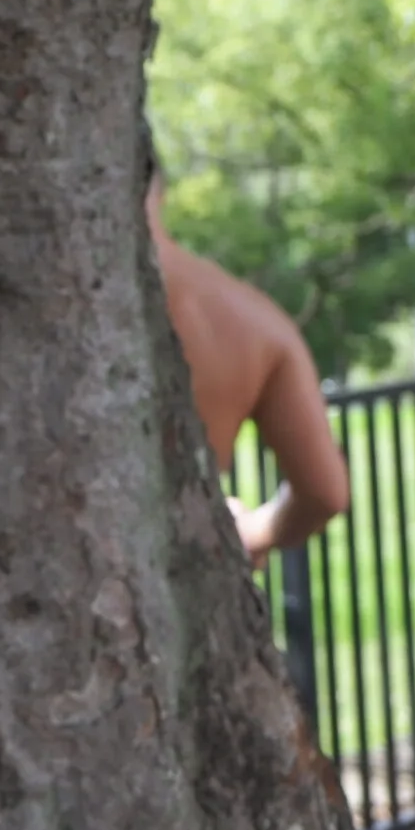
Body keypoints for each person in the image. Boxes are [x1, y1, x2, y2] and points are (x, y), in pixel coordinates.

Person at [147, 171, 350, 565]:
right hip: (173, 585)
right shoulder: (254, 319)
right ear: (160, 190)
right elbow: (324, 493)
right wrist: (251, 532)